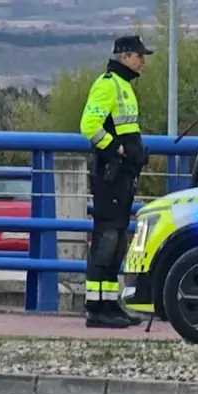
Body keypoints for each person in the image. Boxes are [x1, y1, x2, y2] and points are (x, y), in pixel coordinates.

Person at [78, 35, 151, 329]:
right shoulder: (108, 84)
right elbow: (89, 126)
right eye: (138, 55)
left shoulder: (124, 86)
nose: (143, 60)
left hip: (122, 174)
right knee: (107, 238)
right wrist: (117, 148)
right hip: (110, 173)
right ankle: (96, 308)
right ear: (123, 56)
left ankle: (110, 303)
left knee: (118, 240)